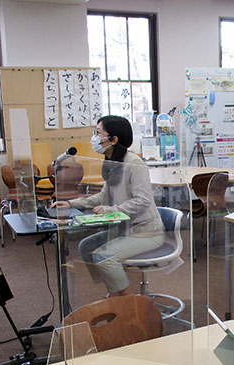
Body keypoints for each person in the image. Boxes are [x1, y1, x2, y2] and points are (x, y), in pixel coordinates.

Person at [51, 115, 164, 297]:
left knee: (104, 256)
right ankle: (115, 290)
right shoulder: (113, 163)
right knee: (86, 247)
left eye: (98, 133)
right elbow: (103, 196)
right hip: (124, 228)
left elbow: (143, 200)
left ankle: (128, 301)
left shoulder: (134, 163)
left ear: (113, 139)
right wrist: (71, 203)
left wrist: (112, 210)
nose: (94, 138)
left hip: (146, 231)